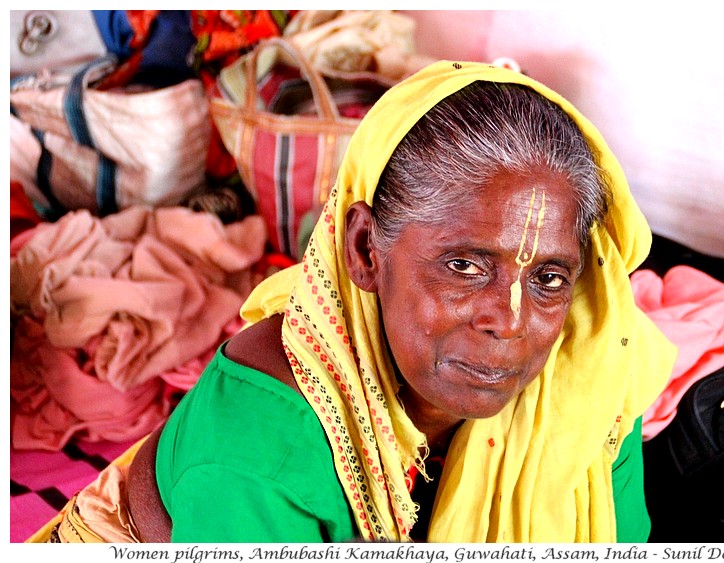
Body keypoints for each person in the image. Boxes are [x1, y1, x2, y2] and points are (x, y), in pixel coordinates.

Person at [44, 60, 676, 543]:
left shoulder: (588, 382)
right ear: (366, 250)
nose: (509, 322)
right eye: (463, 265)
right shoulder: (266, 448)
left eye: (549, 278)